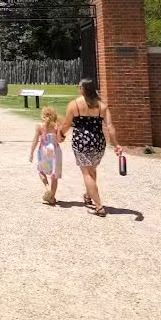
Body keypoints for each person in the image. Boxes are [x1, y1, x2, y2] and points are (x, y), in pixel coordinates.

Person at [58, 78, 123, 218]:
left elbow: (66, 125)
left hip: (81, 142)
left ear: (82, 89)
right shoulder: (102, 107)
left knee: (86, 173)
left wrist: (60, 134)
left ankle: (99, 206)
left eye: (79, 87)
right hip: (99, 143)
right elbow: (110, 127)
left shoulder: (74, 105)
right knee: (92, 170)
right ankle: (88, 195)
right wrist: (116, 144)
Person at [30, 106, 63, 206]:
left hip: (44, 150)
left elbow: (35, 140)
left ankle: (48, 189)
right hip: (55, 150)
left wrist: (31, 152)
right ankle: (52, 197)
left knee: (41, 171)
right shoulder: (57, 126)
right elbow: (59, 140)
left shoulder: (39, 126)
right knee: (54, 175)